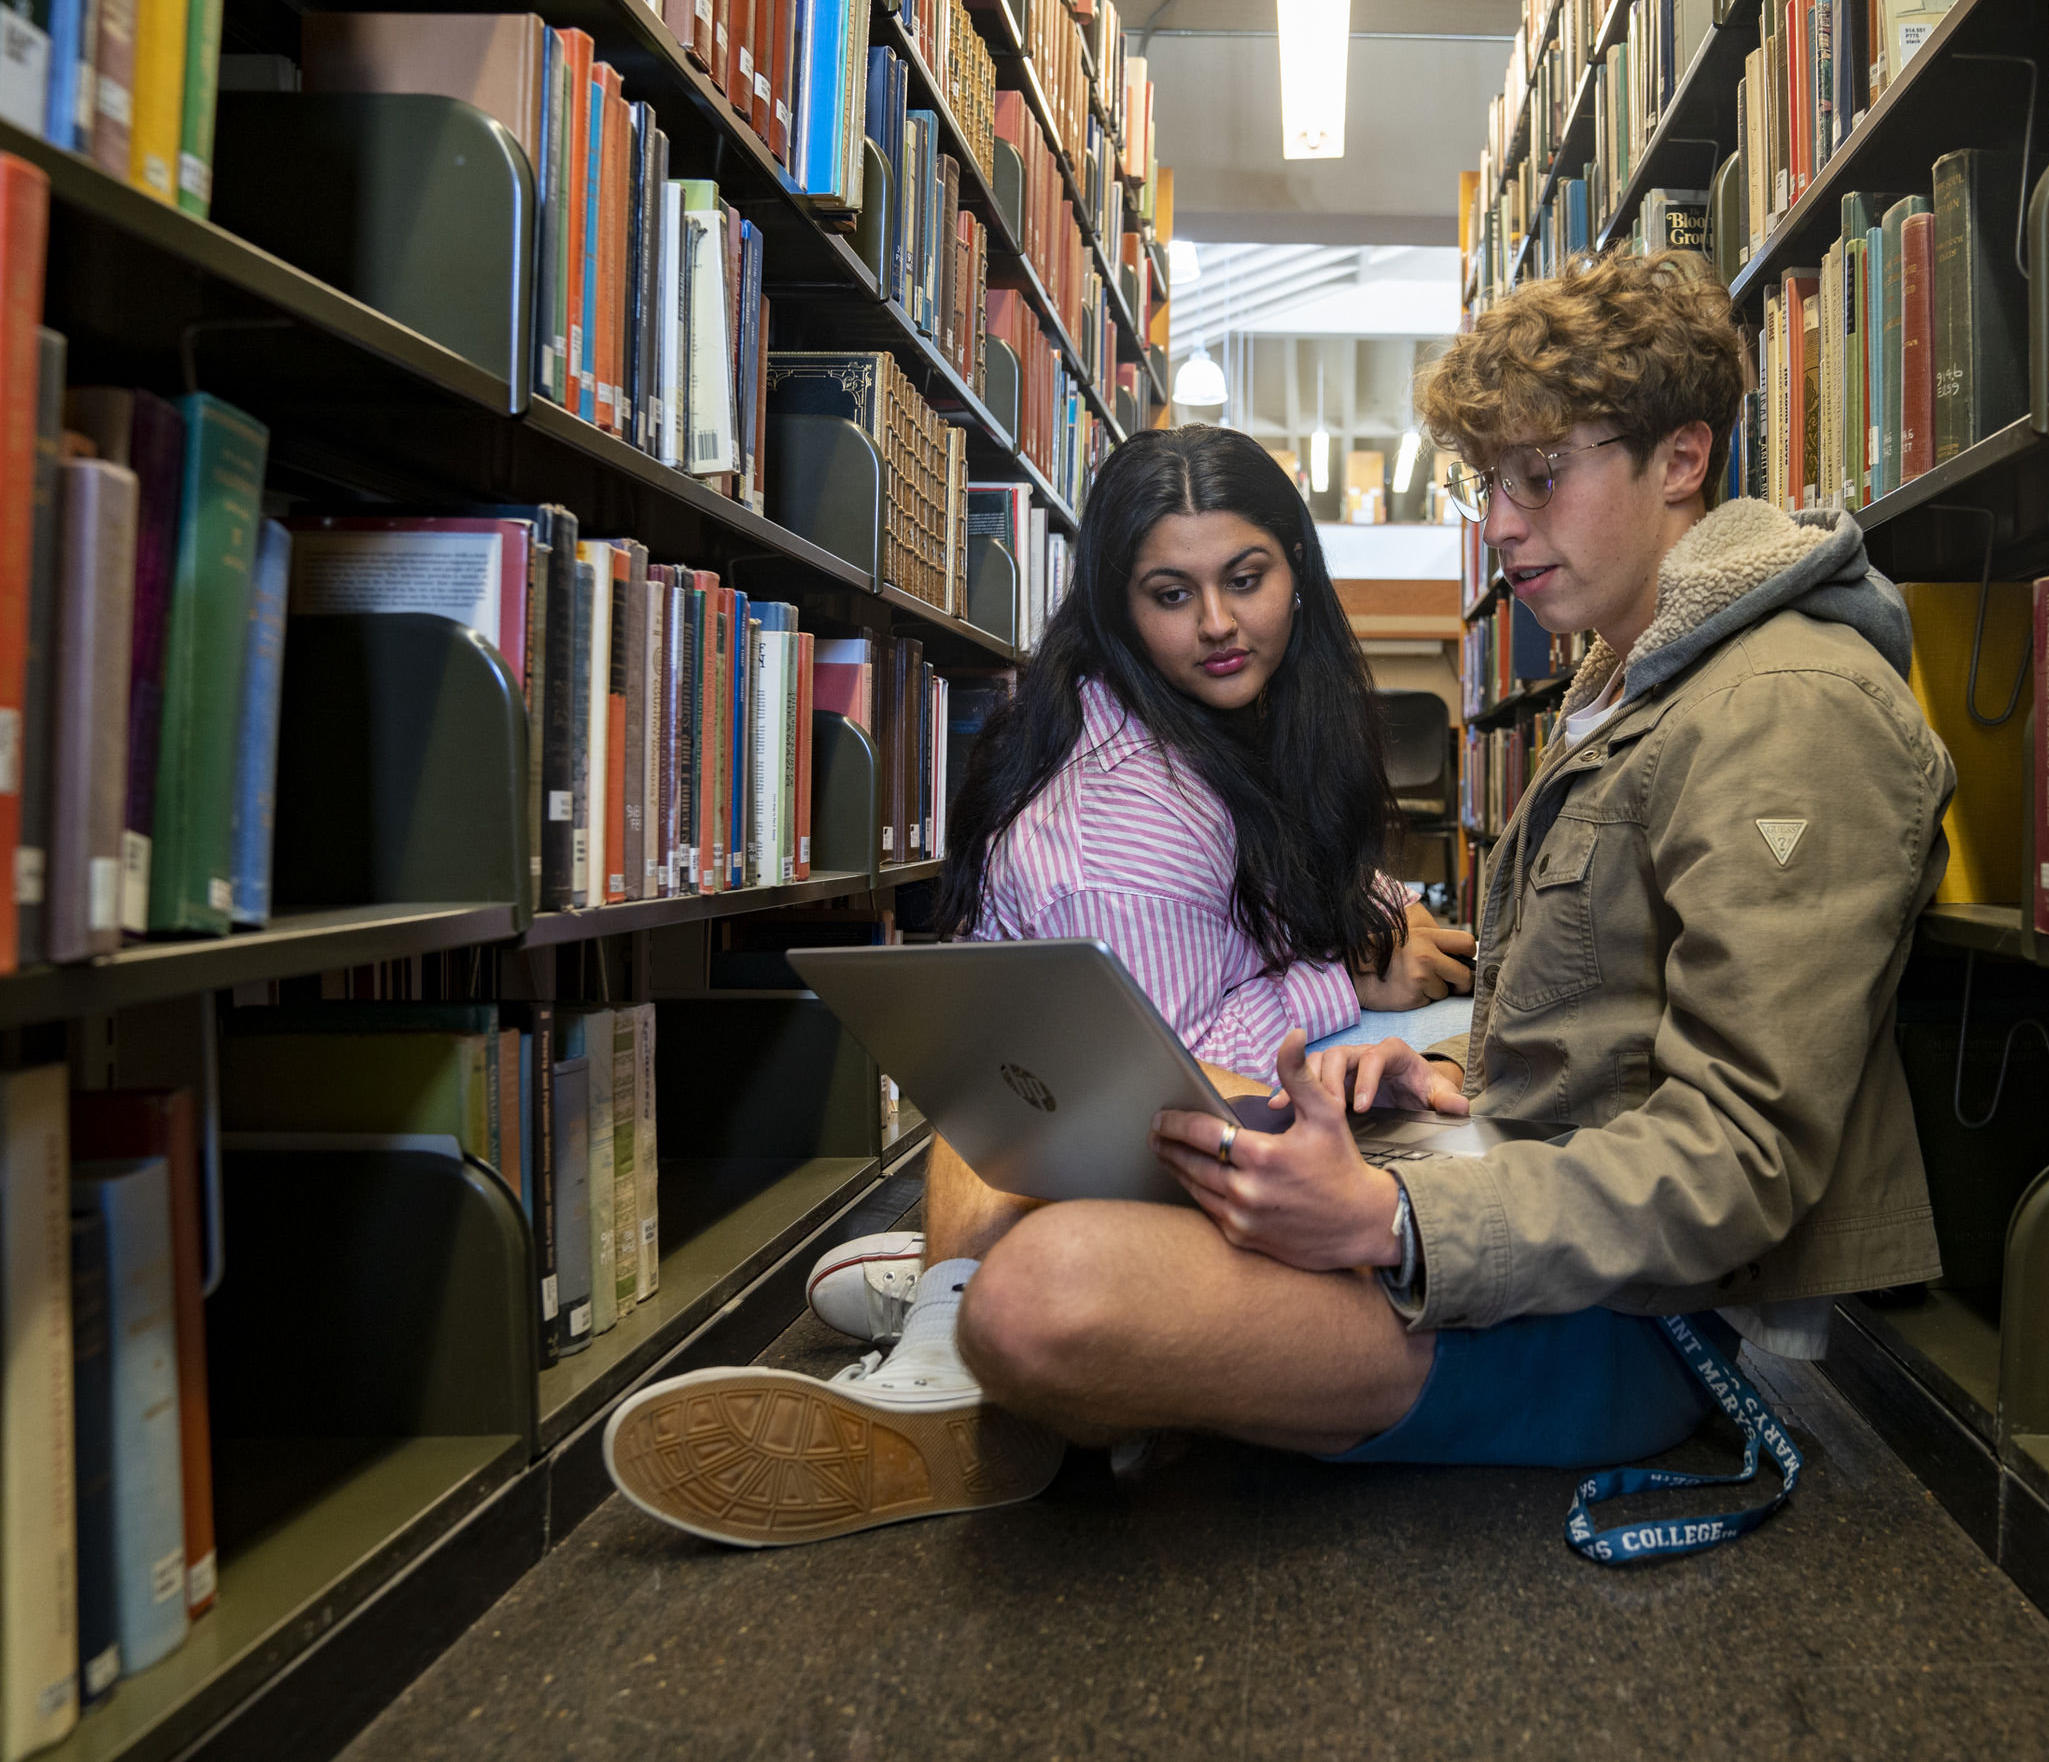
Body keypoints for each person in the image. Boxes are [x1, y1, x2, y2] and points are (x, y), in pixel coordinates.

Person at [602, 250, 1955, 1549]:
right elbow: (1601, 1045)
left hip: (1631, 1321)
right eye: (1490, 481)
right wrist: (1414, 1100)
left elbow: (1745, 1164)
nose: (1497, 524)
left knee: (1045, 1296)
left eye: (1542, 475)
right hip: (1507, 1218)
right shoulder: (1634, 681)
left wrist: (1390, 1219)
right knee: (1012, 1086)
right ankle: (1024, 1363)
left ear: (1682, 459)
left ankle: (996, 1361)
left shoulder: (1780, 710)